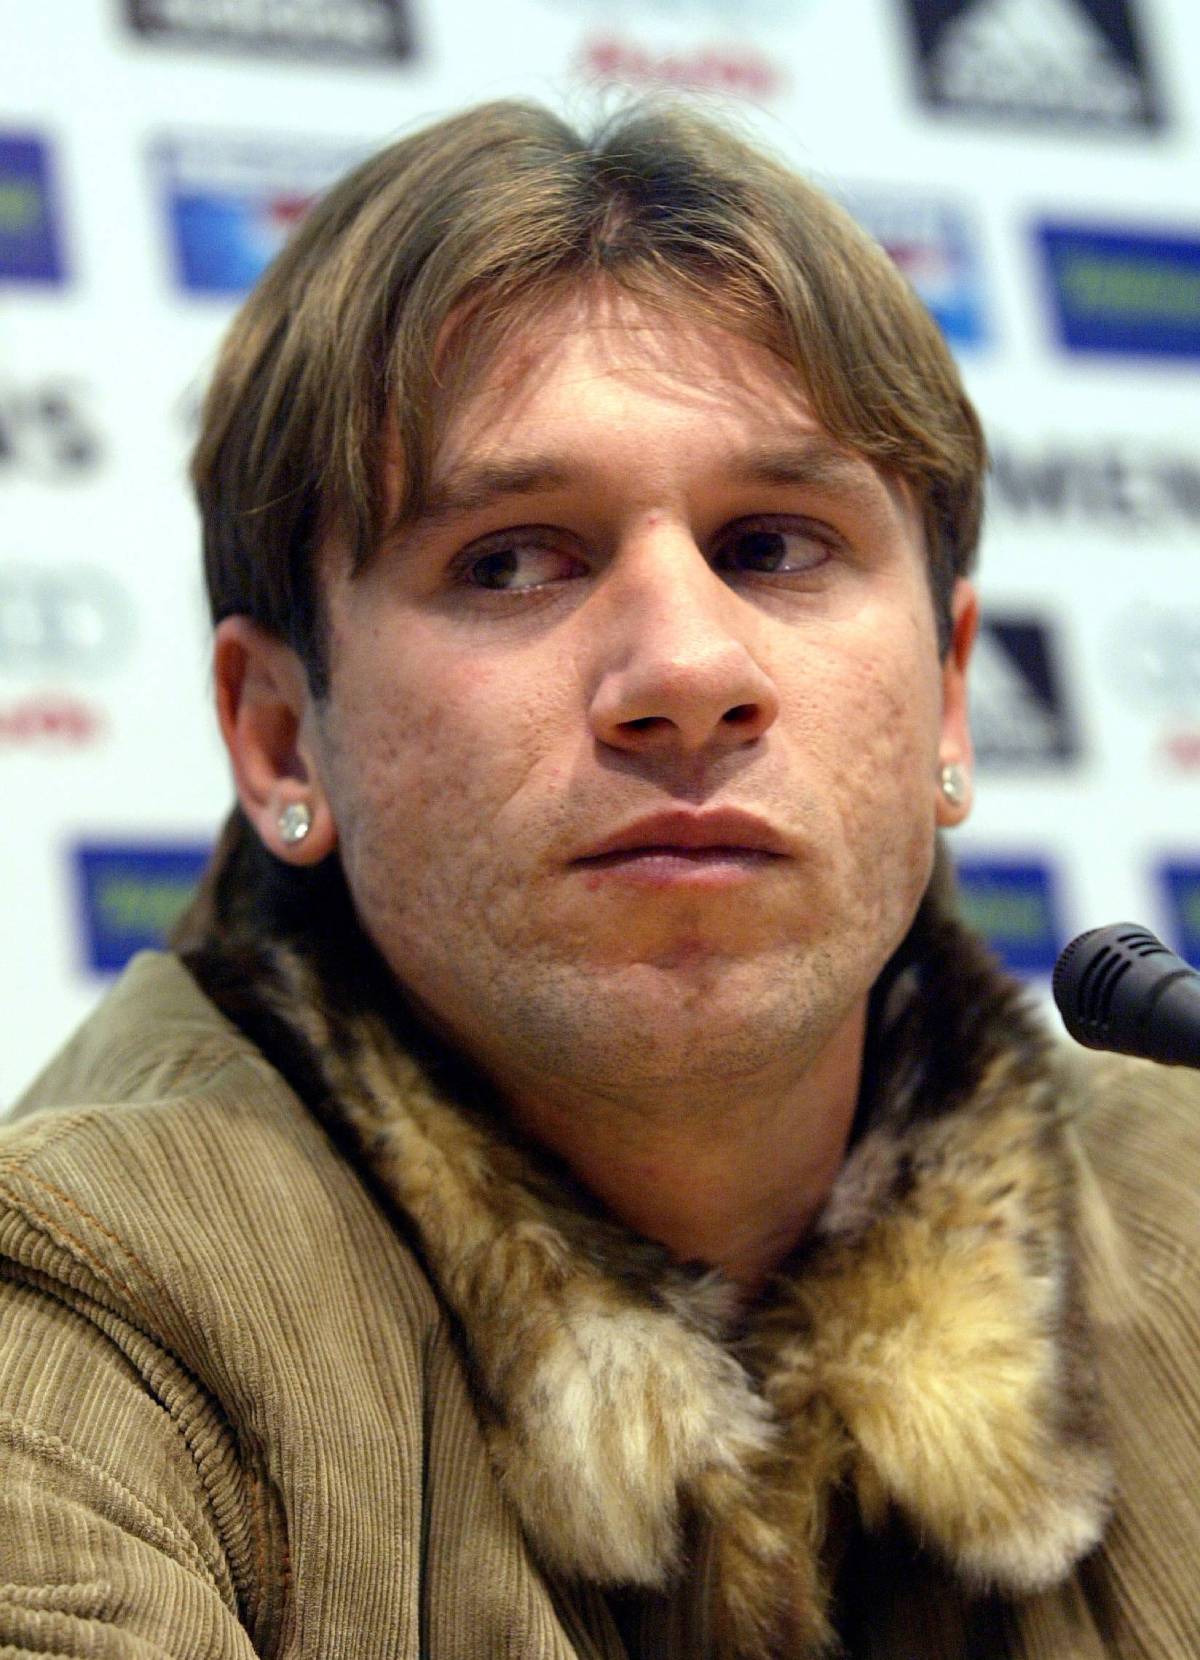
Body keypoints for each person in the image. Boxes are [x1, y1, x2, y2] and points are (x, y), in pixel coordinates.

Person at [2, 99, 1197, 1660]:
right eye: (511, 559)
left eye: (772, 545)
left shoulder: (1180, 1215)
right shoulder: (78, 1307)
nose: (688, 670)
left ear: (952, 699)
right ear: (283, 739)